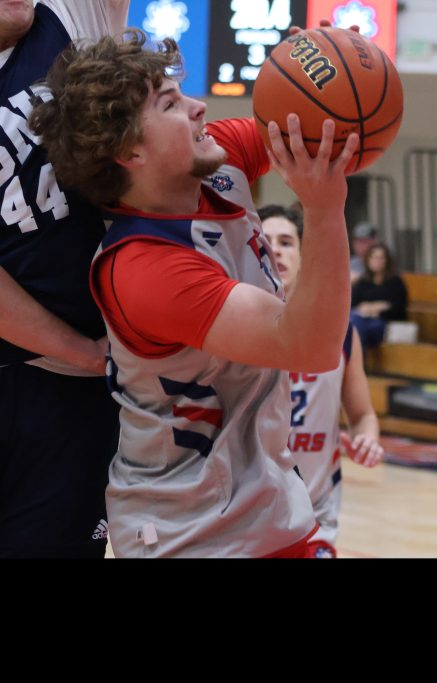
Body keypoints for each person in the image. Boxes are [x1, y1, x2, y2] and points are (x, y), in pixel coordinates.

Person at [30, 29, 360, 557]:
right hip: (191, 531)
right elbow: (309, 345)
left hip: (261, 506)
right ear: (129, 151)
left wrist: (326, 70)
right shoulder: (145, 269)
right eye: (171, 104)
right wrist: (323, 211)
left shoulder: (217, 162)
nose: (198, 106)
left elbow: (302, 130)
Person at [0, 0, 129, 558]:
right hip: (68, 363)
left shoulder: (70, 19)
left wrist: (89, 360)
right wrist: (85, 353)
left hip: (70, 398)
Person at [259, 204, 384, 558]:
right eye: (265, 242)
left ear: (304, 256)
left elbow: (362, 415)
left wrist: (367, 440)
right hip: (247, 515)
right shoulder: (231, 325)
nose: (276, 250)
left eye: (287, 242)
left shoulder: (339, 329)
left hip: (315, 517)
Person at [351, 243, 408, 349]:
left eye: (380, 258)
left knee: (365, 328)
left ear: (387, 261)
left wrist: (376, 311)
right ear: (368, 260)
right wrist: (378, 306)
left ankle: (357, 357)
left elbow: (399, 309)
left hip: (384, 322)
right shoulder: (362, 282)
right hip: (362, 319)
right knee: (354, 322)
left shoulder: (396, 282)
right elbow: (353, 305)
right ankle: (358, 356)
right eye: (373, 257)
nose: (376, 261)